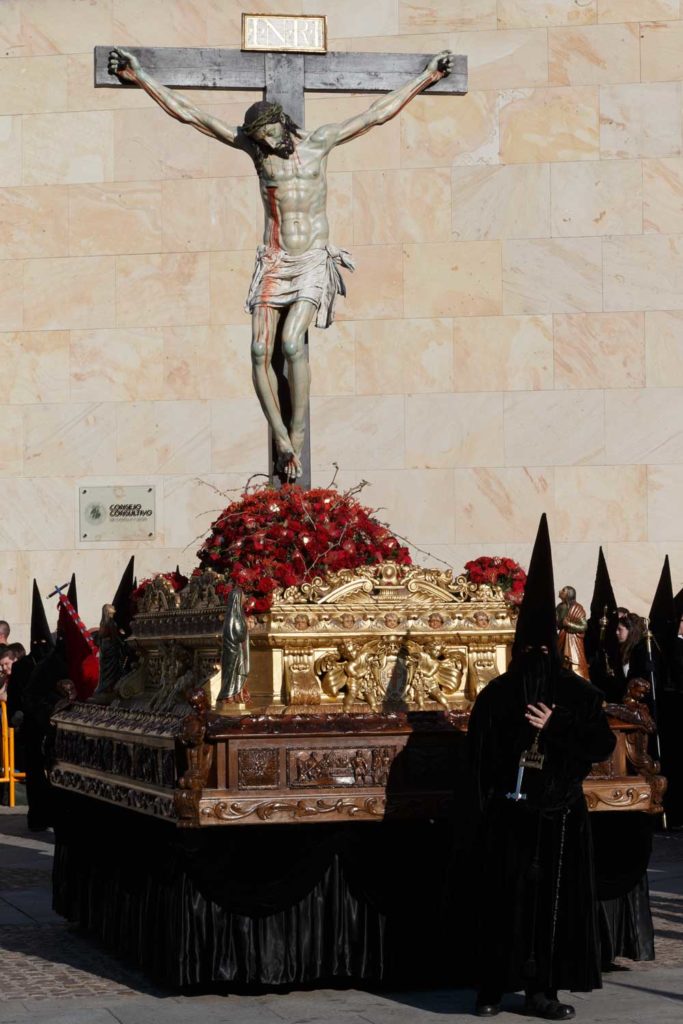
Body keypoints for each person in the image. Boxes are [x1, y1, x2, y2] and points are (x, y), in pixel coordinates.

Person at [107, 46, 455, 481]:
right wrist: (140, 77)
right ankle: (281, 437)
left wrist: (425, 77)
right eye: (260, 138)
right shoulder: (257, 153)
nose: (268, 142)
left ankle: (299, 429)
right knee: (257, 350)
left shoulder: (320, 142)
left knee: (292, 345)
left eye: (270, 132)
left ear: (281, 121)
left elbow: (375, 115)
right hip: (274, 259)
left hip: (310, 259)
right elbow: (191, 115)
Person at [468, 515, 615, 1020]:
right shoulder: (496, 696)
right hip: (509, 818)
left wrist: (556, 727)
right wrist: (486, 809)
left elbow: (600, 743)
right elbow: (479, 760)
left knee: (551, 912)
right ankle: (491, 988)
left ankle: (541, 992)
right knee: (501, 905)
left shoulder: (576, 694)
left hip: (558, 818)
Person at [556, 586, 589, 680]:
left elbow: (584, 626)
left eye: (563, 590)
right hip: (562, 638)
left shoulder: (577, 608)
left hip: (574, 642)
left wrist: (569, 624)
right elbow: (557, 623)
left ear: (569, 594)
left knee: (575, 665)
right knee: (561, 661)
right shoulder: (559, 607)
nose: (560, 591)